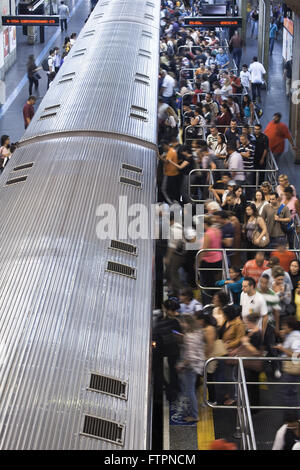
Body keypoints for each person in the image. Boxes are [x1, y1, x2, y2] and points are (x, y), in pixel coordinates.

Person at [153, 298, 183, 402]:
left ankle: (172, 392)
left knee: (171, 372)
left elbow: (180, 334)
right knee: (164, 372)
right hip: (162, 349)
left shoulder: (175, 320)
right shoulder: (160, 318)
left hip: (171, 350)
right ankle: (171, 390)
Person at [176, 315, 205, 422]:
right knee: (191, 389)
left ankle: (194, 415)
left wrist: (181, 365)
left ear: (187, 323)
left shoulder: (189, 336)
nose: (181, 325)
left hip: (191, 366)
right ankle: (193, 411)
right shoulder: (198, 331)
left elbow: (190, 356)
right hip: (198, 364)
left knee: (189, 391)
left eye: (182, 323)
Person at [273, 316, 300, 411]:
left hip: (293, 369)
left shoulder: (295, 337)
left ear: (290, 327)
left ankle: (293, 418)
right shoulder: (292, 335)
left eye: (285, 326)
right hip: (290, 368)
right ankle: (293, 418)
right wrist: (284, 337)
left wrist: (282, 349)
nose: (283, 328)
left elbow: (296, 355)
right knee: (290, 391)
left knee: (288, 392)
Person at [199, 215, 223, 306]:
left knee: (207, 285)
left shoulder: (207, 234)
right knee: (215, 284)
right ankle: (217, 301)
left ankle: (209, 303)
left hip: (208, 262)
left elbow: (203, 251)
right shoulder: (217, 231)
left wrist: (197, 263)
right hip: (218, 260)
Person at [241, 313, 263, 410]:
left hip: (253, 364)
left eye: (247, 322)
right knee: (252, 387)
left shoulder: (256, 334)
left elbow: (257, 352)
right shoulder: (253, 332)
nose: (245, 324)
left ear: (251, 322)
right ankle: (253, 406)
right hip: (251, 364)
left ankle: (253, 408)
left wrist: (246, 343)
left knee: (252, 387)